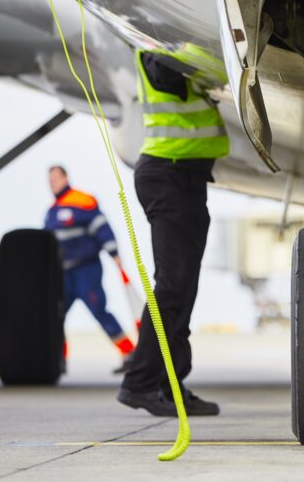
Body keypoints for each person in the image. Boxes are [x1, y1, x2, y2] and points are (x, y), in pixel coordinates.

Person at [117, 49, 229, 417]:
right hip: (168, 174)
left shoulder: (176, 46)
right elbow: (179, 69)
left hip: (185, 176)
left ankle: (169, 385)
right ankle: (140, 383)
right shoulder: (160, 47)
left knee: (181, 288)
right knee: (172, 285)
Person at [44, 166, 135, 373]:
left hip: (86, 270)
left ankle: (130, 353)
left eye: (56, 179)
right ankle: (59, 359)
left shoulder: (82, 202)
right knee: (56, 316)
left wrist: (114, 254)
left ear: (66, 177)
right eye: (50, 180)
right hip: (64, 274)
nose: (53, 184)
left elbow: (101, 227)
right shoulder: (52, 212)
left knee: (99, 310)